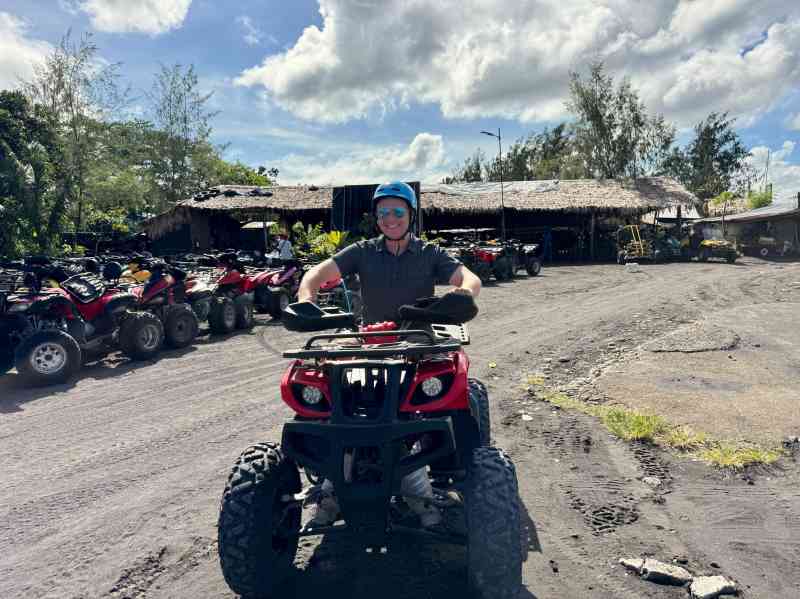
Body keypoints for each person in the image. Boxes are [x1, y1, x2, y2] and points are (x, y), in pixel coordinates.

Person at [297, 181, 482, 527]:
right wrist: (306, 296)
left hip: (416, 342)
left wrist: (464, 295)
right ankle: (331, 487)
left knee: (443, 404)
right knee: (325, 387)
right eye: (384, 212)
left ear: (411, 215)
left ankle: (424, 495)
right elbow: (316, 274)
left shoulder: (430, 253)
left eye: (398, 211)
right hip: (370, 342)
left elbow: (469, 279)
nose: (390, 218)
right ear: (376, 217)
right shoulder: (362, 251)